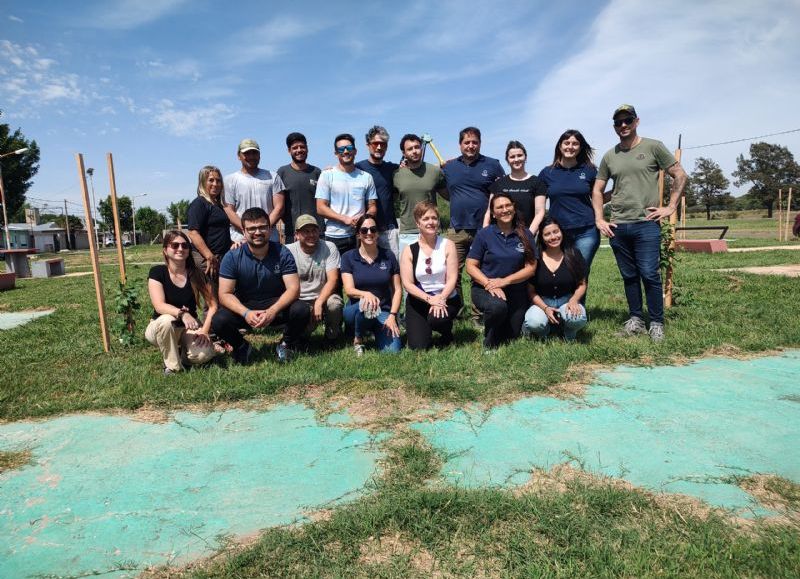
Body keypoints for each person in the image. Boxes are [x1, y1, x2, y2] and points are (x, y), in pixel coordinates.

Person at [593, 105, 688, 342]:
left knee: (649, 273)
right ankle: (635, 319)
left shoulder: (653, 147)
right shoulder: (609, 156)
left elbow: (680, 174)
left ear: (636, 121)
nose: (623, 126)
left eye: (627, 121)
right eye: (618, 123)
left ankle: (656, 322)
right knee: (629, 275)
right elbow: (597, 189)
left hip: (646, 223)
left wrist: (671, 207)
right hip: (618, 225)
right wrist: (599, 219)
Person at [212, 207, 309, 364]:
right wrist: (246, 313)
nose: (257, 232)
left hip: (275, 304)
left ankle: (286, 344)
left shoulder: (282, 252)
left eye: (262, 227)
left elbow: (294, 289)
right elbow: (224, 294)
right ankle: (241, 346)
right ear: (243, 231)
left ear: (270, 229)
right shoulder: (232, 257)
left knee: (302, 309)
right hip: (246, 305)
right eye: (251, 228)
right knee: (219, 320)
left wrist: (272, 311)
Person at [466, 193, 537, 350]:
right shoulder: (484, 234)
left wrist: (504, 281)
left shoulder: (525, 234)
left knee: (512, 334)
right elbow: (470, 265)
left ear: (513, 207)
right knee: (497, 308)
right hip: (485, 288)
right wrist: (489, 284)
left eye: (508, 205)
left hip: (515, 290)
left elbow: (531, 268)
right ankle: (489, 341)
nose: (505, 210)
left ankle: (500, 324)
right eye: (499, 207)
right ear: (493, 213)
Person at [441, 126, 505, 292]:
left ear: (480, 144)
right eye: (466, 142)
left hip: (485, 229)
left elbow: (502, 193)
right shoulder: (449, 167)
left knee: (483, 272)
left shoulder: (493, 165)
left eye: (474, 142)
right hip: (457, 230)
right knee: (451, 274)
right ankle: (457, 313)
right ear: (460, 144)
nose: (471, 145)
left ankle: (479, 315)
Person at [146, 230, 217, 374]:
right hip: (160, 327)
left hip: (187, 329)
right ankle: (173, 367)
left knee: (203, 354)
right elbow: (159, 305)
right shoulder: (157, 272)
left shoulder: (196, 274)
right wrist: (182, 314)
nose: (180, 249)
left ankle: (180, 354)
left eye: (185, 246)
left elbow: (213, 305)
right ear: (165, 250)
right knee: (167, 320)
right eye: (175, 245)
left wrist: (204, 331)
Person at [538, 130, 600, 284]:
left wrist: (618, 191)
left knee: (580, 272)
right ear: (560, 146)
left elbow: (598, 197)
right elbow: (537, 203)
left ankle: (578, 308)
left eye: (575, 143)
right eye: (567, 143)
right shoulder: (547, 173)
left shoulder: (589, 170)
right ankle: (559, 307)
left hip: (586, 230)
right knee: (560, 273)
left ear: (580, 147)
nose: (570, 147)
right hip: (558, 233)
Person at [400, 201, 461, 349]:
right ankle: (424, 328)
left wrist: (440, 299)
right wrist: (429, 299)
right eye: (425, 219)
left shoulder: (448, 245)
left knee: (437, 320)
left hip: (445, 298)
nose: (431, 222)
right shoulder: (409, 250)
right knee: (418, 347)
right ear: (417, 223)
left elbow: (453, 278)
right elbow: (407, 284)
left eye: (434, 218)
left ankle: (446, 334)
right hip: (419, 300)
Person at [341, 213, 402, 355]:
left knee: (392, 352)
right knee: (366, 305)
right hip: (356, 310)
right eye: (364, 230)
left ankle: (375, 330)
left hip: (383, 311)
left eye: (373, 230)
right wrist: (366, 294)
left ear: (378, 233)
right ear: (358, 235)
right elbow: (349, 290)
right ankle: (358, 338)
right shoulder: (348, 257)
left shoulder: (388, 256)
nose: (369, 233)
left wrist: (392, 316)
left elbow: (398, 289)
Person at [523, 217, 588, 341]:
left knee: (578, 319)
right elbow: (531, 291)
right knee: (533, 322)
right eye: (547, 234)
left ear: (561, 232)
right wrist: (545, 308)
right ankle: (544, 332)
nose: (553, 237)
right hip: (542, 302)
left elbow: (582, 284)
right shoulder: (535, 257)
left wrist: (574, 300)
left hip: (567, 301)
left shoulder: (573, 253)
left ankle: (568, 330)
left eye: (556, 232)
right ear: (541, 237)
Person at [315, 133, 378, 257]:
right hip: (334, 237)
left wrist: (363, 219)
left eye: (349, 148)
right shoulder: (327, 175)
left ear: (355, 151)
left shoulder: (366, 177)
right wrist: (346, 219)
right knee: (335, 275)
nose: (345, 151)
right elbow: (320, 207)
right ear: (336, 153)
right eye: (341, 149)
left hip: (360, 236)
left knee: (360, 275)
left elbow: (373, 206)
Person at [285, 214, 343, 340]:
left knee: (335, 304)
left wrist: (319, 302)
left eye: (314, 230)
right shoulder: (287, 251)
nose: (311, 235)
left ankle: (332, 336)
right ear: (297, 234)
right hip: (300, 302)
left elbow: (333, 279)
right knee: (300, 338)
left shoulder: (329, 247)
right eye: (306, 231)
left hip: (323, 297)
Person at [393, 133, 447, 257]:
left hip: (431, 229)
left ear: (421, 148)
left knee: (435, 272)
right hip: (407, 233)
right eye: (410, 149)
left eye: (417, 147)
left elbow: (448, 195)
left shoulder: (435, 172)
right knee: (407, 274)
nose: (414, 151)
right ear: (403, 152)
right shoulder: (396, 175)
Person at [224, 138, 285, 243]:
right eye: (247, 153)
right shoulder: (229, 180)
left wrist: (263, 230)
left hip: (269, 238)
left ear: (259, 155)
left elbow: (279, 208)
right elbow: (229, 210)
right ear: (239, 156)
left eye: (254, 153)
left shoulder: (273, 177)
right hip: (240, 239)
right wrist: (247, 230)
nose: (251, 156)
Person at [356, 126, 400, 259]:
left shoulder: (393, 169)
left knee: (392, 268)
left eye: (383, 144)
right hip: (364, 230)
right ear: (368, 145)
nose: (379, 147)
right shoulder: (358, 168)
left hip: (388, 229)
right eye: (375, 144)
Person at [484, 141, 546, 232]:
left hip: (527, 235)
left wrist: (529, 235)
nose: (516, 159)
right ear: (507, 160)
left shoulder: (537, 182)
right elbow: (489, 212)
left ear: (525, 157)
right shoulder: (498, 184)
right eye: (512, 157)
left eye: (519, 155)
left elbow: (539, 213)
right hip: (500, 237)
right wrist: (485, 233)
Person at [187, 165, 232, 284]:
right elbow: (193, 233)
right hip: (207, 259)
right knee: (213, 299)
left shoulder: (218, 205)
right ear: (202, 182)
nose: (215, 184)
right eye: (211, 180)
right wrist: (209, 256)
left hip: (220, 258)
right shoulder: (199, 204)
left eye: (218, 180)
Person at [277, 132, 322, 241]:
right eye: (295, 148)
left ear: (307, 149)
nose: (299, 150)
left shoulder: (317, 172)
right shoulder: (282, 173)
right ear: (289, 151)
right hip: (292, 234)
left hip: (315, 232)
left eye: (302, 147)